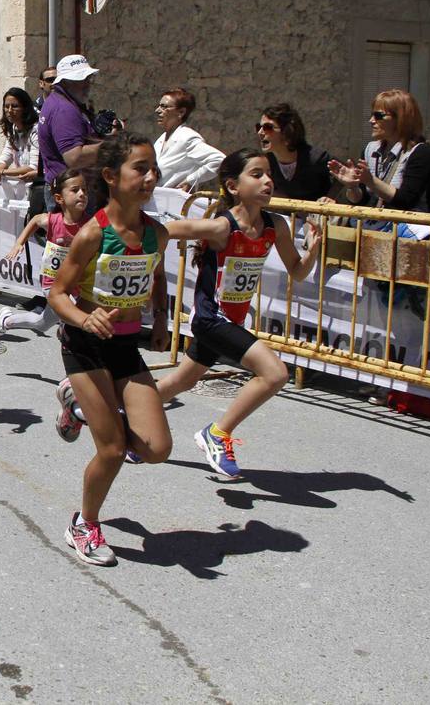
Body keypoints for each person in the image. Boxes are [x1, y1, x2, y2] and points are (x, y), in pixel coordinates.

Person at [145, 149, 322, 478]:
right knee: (275, 373)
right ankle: (218, 433)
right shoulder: (222, 227)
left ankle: (129, 416)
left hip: (233, 321)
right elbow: (170, 229)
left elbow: (297, 272)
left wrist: (312, 251)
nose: (268, 180)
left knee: (180, 382)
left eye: (269, 174)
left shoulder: (275, 225)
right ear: (233, 185)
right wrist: (132, 238)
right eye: (257, 175)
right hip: (212, 320)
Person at [46, 131, 175, 567]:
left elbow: (156, 276)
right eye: (140, 168)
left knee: (157, 449)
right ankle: (84, 523)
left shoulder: (156, 234)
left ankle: (76, 409)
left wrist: (160, 317)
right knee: (113, 449)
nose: (150, 176)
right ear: (111, 176)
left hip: (124, 346)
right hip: (83, 344)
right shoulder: (91, 234)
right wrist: (84, 318)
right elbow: (57, 294)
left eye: (153, 168)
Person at [0, 169, 89, 340]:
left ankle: (6, 320)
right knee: (71, 311)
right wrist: (20, 243)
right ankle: (67, 332)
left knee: (42, 323)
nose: (82, 194)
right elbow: (34, 221)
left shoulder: (90, 224)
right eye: (75, 190)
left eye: (85, 190)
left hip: (76, 281)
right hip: (52, 281)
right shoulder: (52, 220)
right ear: (59, 198)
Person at [329, 89, 430, 220]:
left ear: (401, 119)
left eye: (378, 116)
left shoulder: (421, 152)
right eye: (371, 115)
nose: (371, 121)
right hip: (376, 228)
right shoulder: (371, 149)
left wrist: (371, 181)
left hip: (410, 231)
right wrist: (353, 186)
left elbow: (407, 201)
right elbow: (361, 201)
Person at [37, 55, 107, 203]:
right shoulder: (63, 109)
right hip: (72, 195)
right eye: (82, 79)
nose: (88, 84)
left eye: (89, 78)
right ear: (66, 82)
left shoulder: (59, 102)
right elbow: (74, 157)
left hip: (67, 191)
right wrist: (112, 144)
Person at [256, 103, 335, 201]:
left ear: (287, 132)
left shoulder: (316, 158)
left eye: (267, 127)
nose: (260, 132)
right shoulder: (267, 161)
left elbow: (341, 179)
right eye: (259, 127)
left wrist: (330, 197)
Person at [153, 87, 224, 192]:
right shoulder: (161, 139)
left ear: (181, 112)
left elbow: (219, 160)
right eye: (159, 106)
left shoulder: (187, 138)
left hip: (173, 203)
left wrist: (190, 180)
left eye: (164, 107)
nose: (157, 110)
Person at [0, 87, 40, 190]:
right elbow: (6, 157)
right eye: (6, 106)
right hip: (23, 186)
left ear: (25, 108)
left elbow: (33, 167)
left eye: (15, 106)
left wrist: (1, 172)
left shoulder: (36, 130)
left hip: (38, 186)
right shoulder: (13, 129)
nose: (10, 110)